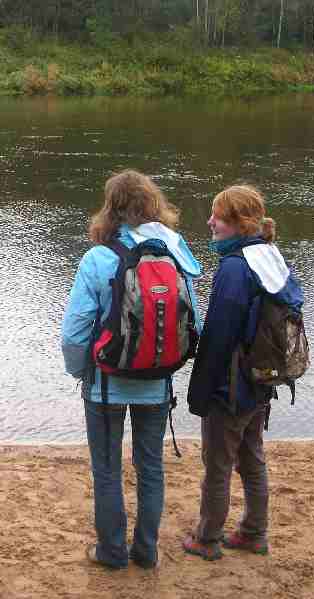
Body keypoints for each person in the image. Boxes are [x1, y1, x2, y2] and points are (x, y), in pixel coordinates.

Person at [62, 169, 201, 570]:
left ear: (111, 209)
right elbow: (195, 325)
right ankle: (146, 550)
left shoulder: (98, 258)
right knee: (151, 466)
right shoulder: (175, 253)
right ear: (153, 204)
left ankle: (111, 553)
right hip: (157, 385)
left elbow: (74, 334)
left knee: (106, 469)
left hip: (105, 386)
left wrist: (79, 372)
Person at [183, 184, 304, 561]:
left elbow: (219, 336)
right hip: (262, 381)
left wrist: (199, 392)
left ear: (238, 223)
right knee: (252, 458)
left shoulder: (234, 268)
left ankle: (207, 538)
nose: (210, 222)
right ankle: (254, 532)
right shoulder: (269, 256)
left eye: (217, 216)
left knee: (217, 465)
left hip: (230, 387)